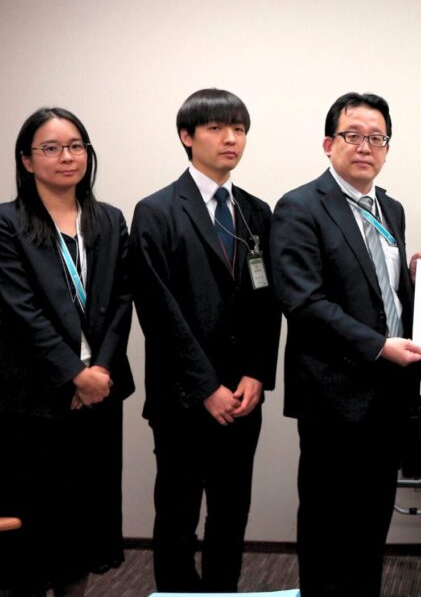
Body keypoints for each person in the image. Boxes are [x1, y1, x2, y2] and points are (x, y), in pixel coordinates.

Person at [270, 92, 421, 597]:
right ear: (328, 143)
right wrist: (379, 346)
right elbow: (303, 301)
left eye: (377, 138)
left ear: (387, 148)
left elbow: (380, 291)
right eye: (353, 135)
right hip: (332, 395)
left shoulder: (391, 208)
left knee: (372, 521)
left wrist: (418, 282)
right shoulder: (300, 206)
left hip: (388, 392)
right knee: (328, 524)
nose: (365, 147)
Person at [129, 88, 280, 592]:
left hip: (242, 396)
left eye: (239, 128)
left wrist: (257, 372)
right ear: (186, 136)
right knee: (177, 516)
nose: (230, 138)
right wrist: (205, 387)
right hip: (183, 398)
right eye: (216, 128)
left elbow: (268, 303)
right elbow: (158, 311)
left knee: (231, 514)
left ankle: (222, 592)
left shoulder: (257, 212)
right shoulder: (156, 211)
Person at [0, 108, 134, 596]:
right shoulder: (7, 223)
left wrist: (99, 371)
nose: (66, 157)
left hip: (99, 395)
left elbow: (122, 301)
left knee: (84, 519)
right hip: (34, 398)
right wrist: (73, 374)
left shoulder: (109, 220)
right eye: (51, 148)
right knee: (36, 525)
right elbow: (21, 310)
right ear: (27, 160)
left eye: (76, 146)